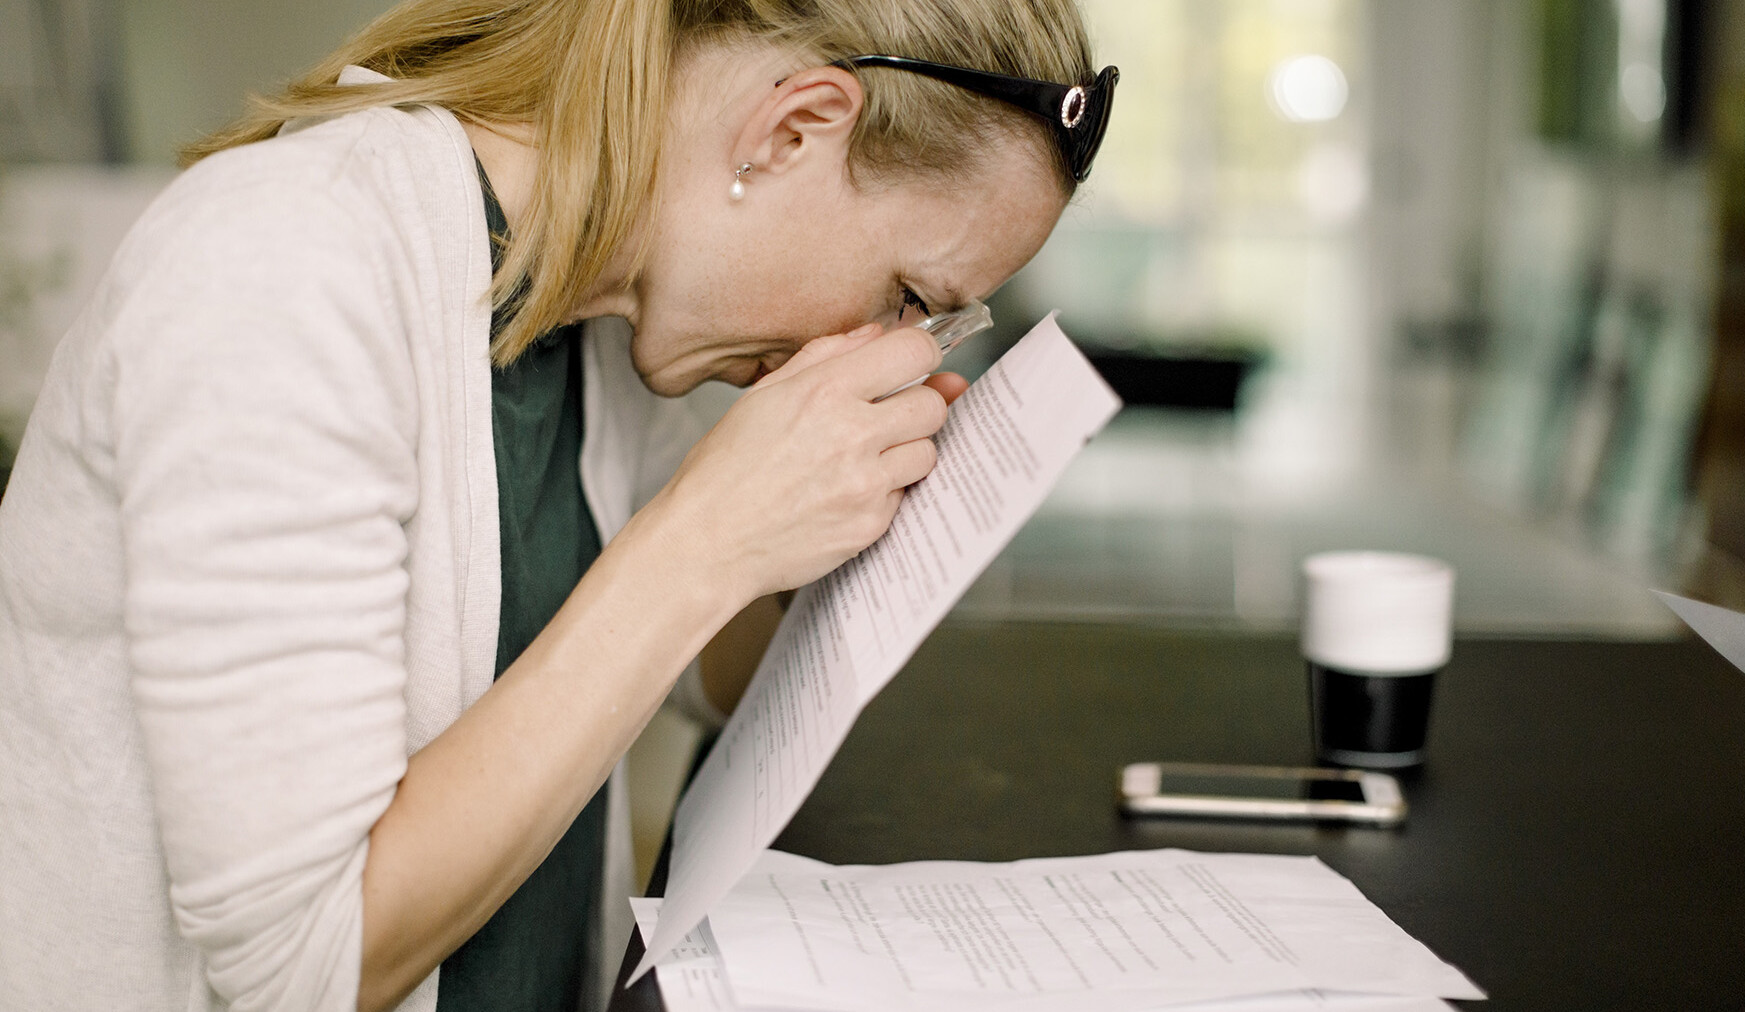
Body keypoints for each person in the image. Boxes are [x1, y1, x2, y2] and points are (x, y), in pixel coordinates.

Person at [0, 0, 1114, 1010]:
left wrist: (847, 534)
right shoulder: (283, 269)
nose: (890, 348)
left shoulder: (613, 304)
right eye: (909, 298)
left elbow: (697, 670)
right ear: (792, 129)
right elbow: (309, 963)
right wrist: (711, 536)